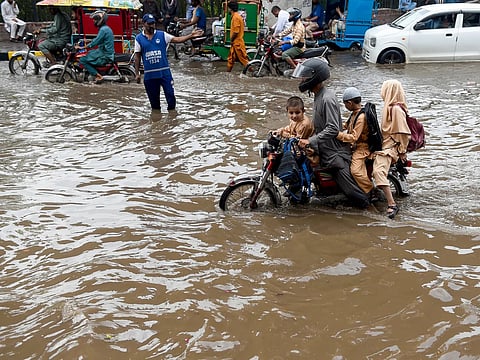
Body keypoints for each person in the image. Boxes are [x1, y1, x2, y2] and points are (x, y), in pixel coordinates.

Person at [293, 58, 370, 209]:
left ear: (315, 77)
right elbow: (319, 126)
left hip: (335, 154)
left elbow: (333, 129)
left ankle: (370, 211)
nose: (302, 80)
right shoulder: (318, 96)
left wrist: (311, 140)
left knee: (352, 193)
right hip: (324, 149)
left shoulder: (327, 98)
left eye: (305, 77)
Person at [134, 13, 203, 110]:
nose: (152, 26)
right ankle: (157, 122)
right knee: (155, 105)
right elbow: (137, 57)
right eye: (149, 24)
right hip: (150, 76)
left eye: (153, 23)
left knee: (171, 97)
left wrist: (190, 36)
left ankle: (172, 119)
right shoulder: (139, 39)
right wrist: (137, 74)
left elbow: (177, 39)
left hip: (164, 73)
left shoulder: (162, 35)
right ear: (144, 24)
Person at [372, 79, 411, 219]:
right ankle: (374, 191)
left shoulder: (395, 109)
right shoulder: (389, 107)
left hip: (390, 148)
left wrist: (402, 152)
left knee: (378, 171)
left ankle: (392, 204)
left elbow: (404, 133)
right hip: (385, 144)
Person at [336, 87, 374, 196]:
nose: (345, 107)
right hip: (354, 146)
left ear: (350, 103)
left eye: (345, 104)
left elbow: (353, 137)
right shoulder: (354, 114)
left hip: (362, 148)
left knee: (355, 171)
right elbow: (346, 126)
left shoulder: (361, 117)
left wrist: (337, 135)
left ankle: (371, 190)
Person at [76, 10, 114, 83]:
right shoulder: (105, 28)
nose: (93, 21)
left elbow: (96, 42)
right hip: (104, 52)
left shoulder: (103, 30)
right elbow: (98, 39)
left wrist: (83, 47)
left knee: (83, 60)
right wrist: (87, 41)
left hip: (105, 54)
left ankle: (98, 76)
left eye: (95, 19)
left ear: (100, 20)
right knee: (89, 53)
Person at [226, 1, 249, 73]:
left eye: (228, 8)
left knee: (244, 60)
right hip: (235, 43)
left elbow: (236, 31)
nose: (227, 10)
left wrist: (231, 39)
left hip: (237, 43)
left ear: (230, 9)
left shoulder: (236, 17)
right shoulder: (236, 16)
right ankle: (227, 74)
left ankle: (253, 73)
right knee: (231, 59)